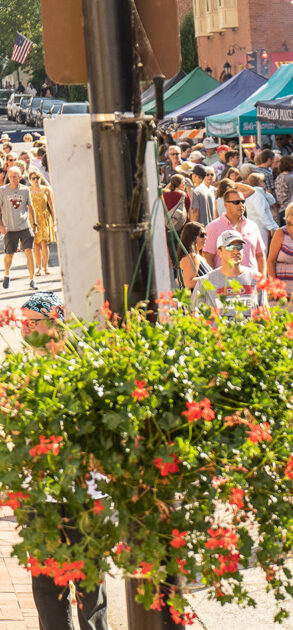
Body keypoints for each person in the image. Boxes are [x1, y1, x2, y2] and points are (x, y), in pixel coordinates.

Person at [19, 293, 110, 630]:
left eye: (34, 320)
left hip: (83, 493)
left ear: (55, 322)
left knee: (89, 582)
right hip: (39, 495)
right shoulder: (22, 368)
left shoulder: (83, 363)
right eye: (23, 321)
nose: (26, 328)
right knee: (47, 587)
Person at [192, 230, 266, 318]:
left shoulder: (256, 279)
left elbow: (265, 314)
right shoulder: (205, 281)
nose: (236, 251)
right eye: (230, 247)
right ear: (219, 252)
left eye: (239, 247)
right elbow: (195, 317)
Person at [0, 166, 37, 290]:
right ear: (8, 177)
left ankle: (32, 280)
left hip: (25, 226)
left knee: (29, 251)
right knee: (9, 254)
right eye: (11, 177)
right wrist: (1, 225)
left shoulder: (25, 190)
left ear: (20, 177)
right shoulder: (2, 190)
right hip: (10, 228)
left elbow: (30, 207)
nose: (13, 179)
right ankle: (7, 274)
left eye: (15, 176)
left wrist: (34, 224)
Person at [26, 170, 54, 277]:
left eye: (37, 178)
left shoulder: (46, 189)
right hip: (33, 219)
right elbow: (26, 206)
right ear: (30, 180)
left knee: (44, 243)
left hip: (44, 217)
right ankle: (39, 268)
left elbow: (51, 205)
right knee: (36, 244)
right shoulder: (27, 190)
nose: (36, 180)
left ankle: (46, 267)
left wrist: (54, 219)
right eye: (33, 178)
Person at [243, 172, 280, 245]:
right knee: (263, 250)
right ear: (260, 182)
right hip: (261, 227)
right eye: (263, 181)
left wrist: (264, 192)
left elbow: (272, 200)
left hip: (259, 226)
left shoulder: (256, 193)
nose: (264, 183)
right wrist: (270, 227)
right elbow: (260, 212)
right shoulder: (257, 195)